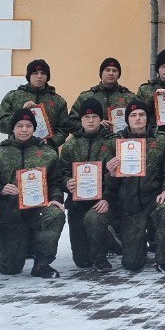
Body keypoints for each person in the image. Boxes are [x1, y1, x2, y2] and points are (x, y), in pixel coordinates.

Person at [94, 100, 165, 274]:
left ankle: (163, 259)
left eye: (141, 115)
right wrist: (111, 173)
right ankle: (122, 239)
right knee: (132, 264)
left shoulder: (161, 140)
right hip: (129, 206)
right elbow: (108, 184)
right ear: (127, 119)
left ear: (147, 118)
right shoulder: (115, 142)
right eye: (133, 115)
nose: (138, 118)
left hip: (153, 199)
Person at [0, 108, 67, 278]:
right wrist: (0, 189)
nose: (24, 129)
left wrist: (56, 198)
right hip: (10, 216)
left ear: (34, 128)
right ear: (12, 128)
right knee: (11, 268)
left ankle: (42, 263)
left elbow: (55, 181)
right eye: (19, 125)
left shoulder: (47, 153)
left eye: (28, 125)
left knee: (55, 214)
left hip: (37, 211)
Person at [58, 98, 115, 269]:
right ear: (81, 119)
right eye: (86, 117)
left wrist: (107, 197)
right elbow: (61, 174)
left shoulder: (111, 142)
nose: (91, 120)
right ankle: (108, 239)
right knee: (82, 262)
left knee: (95, 219)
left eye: (95, 117)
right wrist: (67, 182)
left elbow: (119, 177)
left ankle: (100, 256)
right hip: (77, 203)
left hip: (102, 201)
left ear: (101, 119)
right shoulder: (70, 145)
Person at [0, 58, 69, 148]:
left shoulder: (58, 101)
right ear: (29, 76)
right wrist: (20, 113)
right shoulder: (13, 97)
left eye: (43, 73)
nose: (39, 76)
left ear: (47, 77)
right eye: (35, 73)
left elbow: (64, 129)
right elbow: (1, 125)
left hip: (46, 151)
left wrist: (50, 142)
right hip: (16, 151)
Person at [69, 57, 135, 134]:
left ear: (118, 74)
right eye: (107, 70)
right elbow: (71, 123)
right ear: (101, 73)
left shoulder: (129, 97)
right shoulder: (86, 97)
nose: (111, 73)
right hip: (94, 139)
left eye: (114, 71)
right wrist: (93, 126)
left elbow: (138, 120)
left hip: (120, 139)